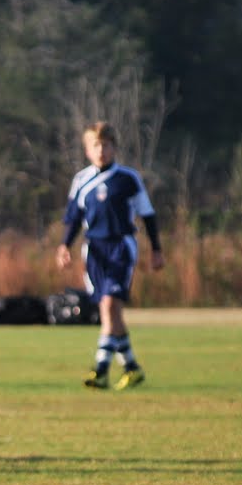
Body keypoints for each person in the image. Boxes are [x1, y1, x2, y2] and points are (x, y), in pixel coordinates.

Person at [54, 122, 165, 390]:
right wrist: (64, 246)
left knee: (108, 306)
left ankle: (100, 369)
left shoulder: (128, 179)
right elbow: (74, 219)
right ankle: (131, 367)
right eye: (95, 145)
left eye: (106, 145)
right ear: (87, 150)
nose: (101, 150)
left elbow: (147, 214)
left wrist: (156, 249)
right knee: (110, 312)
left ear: (114, 147)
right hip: (94, 250)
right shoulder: (81, 180)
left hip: (121, 247)